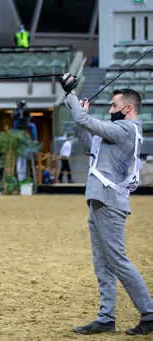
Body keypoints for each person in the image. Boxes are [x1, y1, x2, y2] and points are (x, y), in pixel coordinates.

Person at [59, 73, 153, 336]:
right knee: (103, 262)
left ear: (127, 108)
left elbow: (83, 119)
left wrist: (71, 94)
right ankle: (106, 317)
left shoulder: (126, 129)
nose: (110, 110)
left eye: (113, 106)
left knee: (118, 260)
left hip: (109, 202)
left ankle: (149, 313)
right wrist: (78, 111)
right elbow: (86, 140)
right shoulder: (118, 134)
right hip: (100, 200)